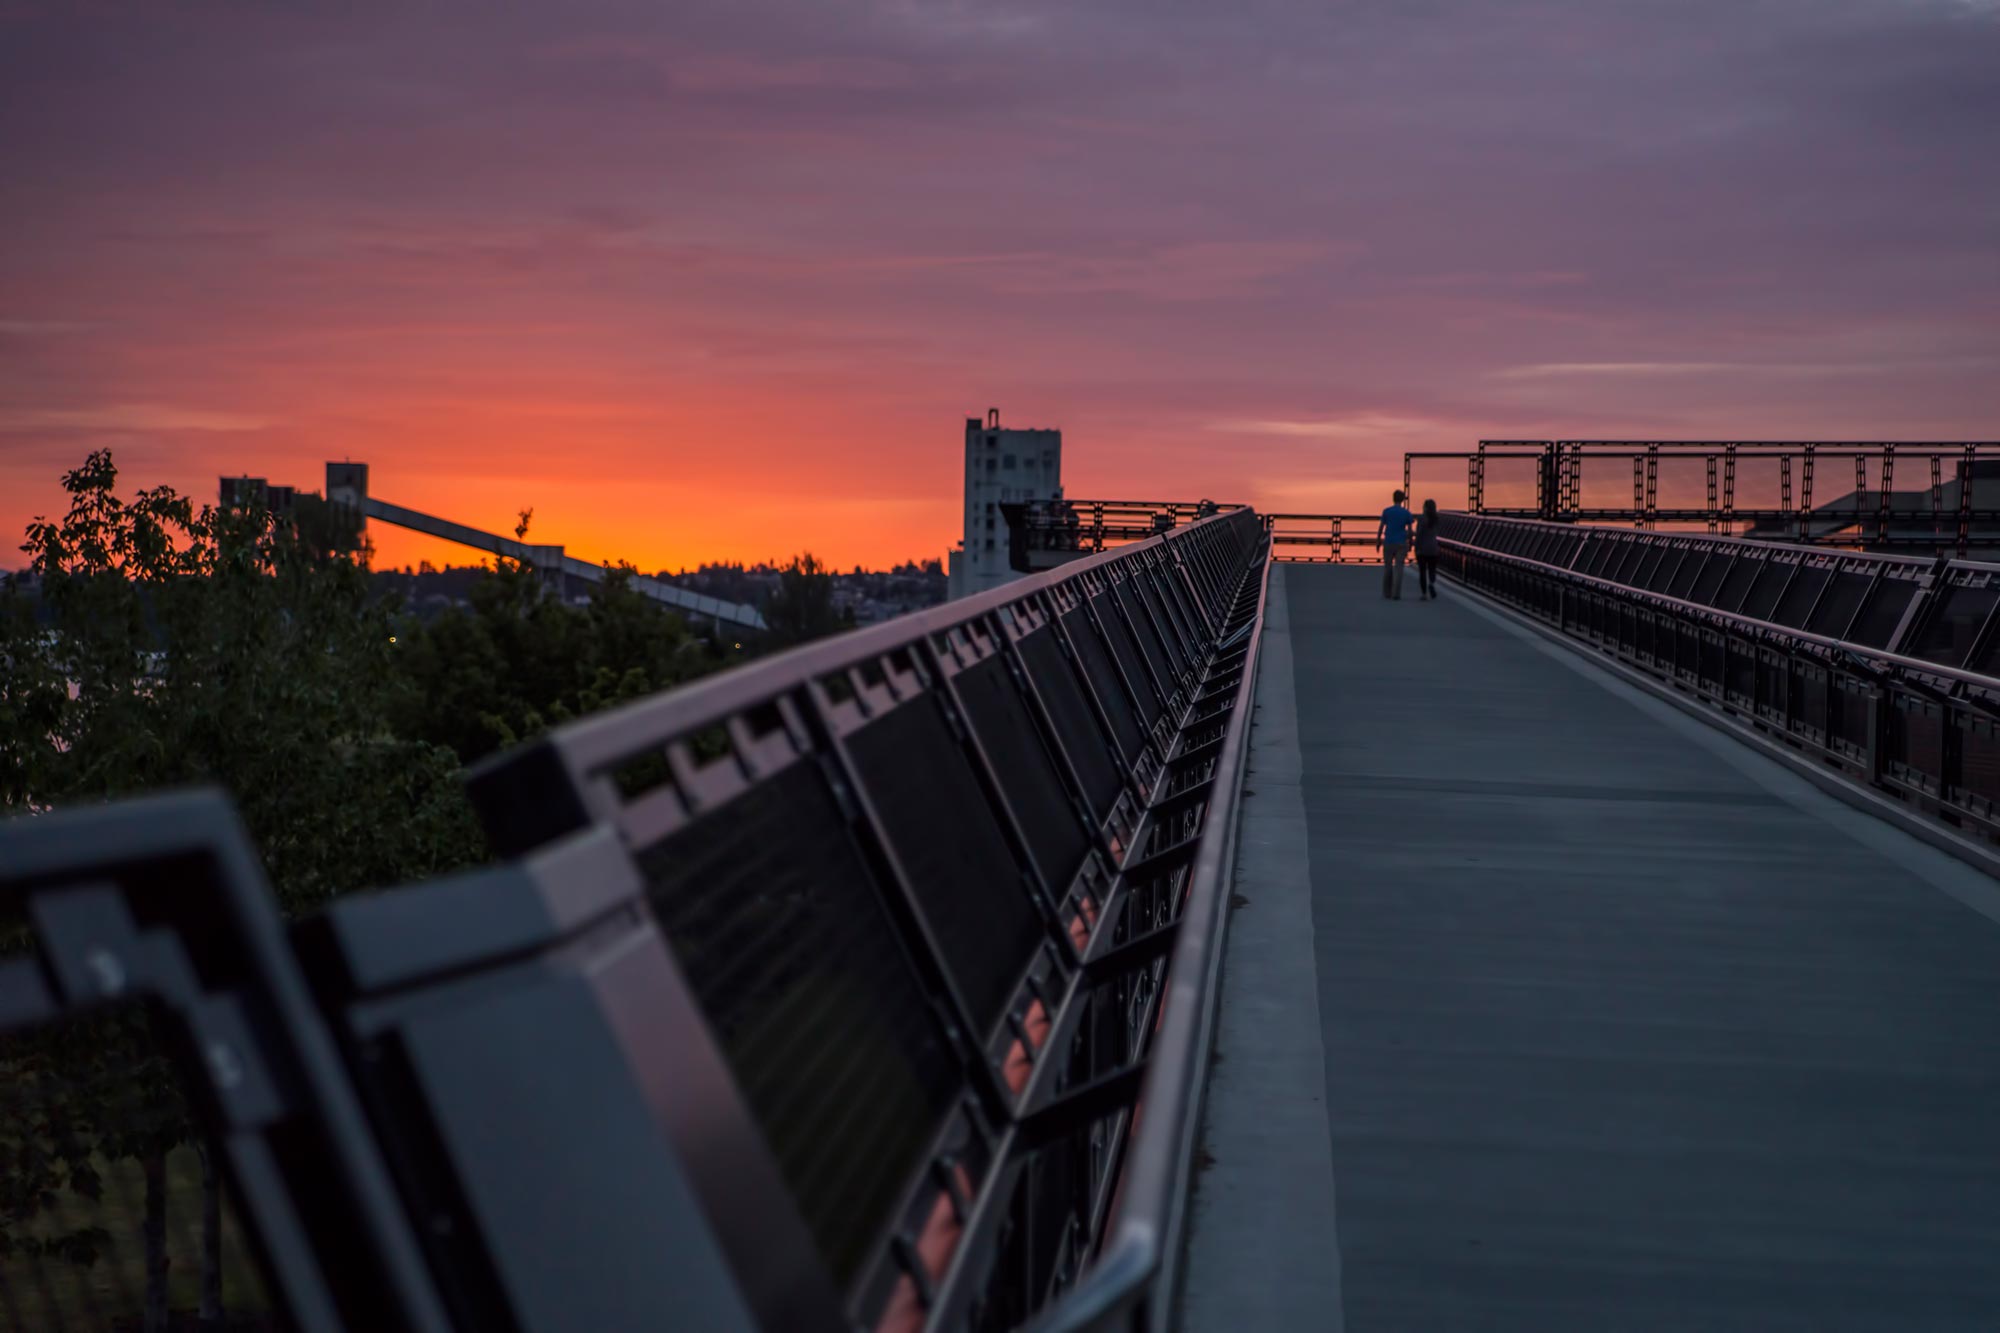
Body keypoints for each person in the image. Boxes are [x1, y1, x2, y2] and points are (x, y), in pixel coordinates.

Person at [1376, 489, 1414, 600]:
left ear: (1393, 498)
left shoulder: (1387, 511)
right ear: (1402, 500)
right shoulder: (1406, 513)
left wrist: (1378, 541)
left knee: (1388, 567)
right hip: (1401, 543)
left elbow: (1381, 527)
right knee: (1399, 568)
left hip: (1388, 542)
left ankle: (1387, 592)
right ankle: (1396, 593)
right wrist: (1410, 542)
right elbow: (1410, 530)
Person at [1413, 498, 1441, 599]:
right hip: (1433, 548)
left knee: (1422, 571)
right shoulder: (1436, 519)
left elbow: (1419, 534)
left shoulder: (1421, 519)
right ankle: (1432, 584)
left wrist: (1416, 547)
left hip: (1422, 549)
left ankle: (1424, 594)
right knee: (1432, 570)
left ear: (1424, 507)